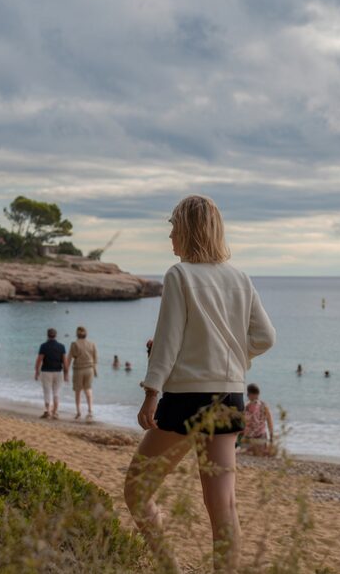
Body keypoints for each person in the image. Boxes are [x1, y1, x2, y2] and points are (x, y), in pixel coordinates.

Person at [125, 195, 275, 573]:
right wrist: (231, 361)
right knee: (223, 505)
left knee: (137, 491)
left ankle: (169, 566)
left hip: (186, 400)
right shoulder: (240, 277)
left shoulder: (179, 275)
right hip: (229, 396)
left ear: (189, 230)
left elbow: (169, 339)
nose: (171, 236)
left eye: (174, 227)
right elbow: (265, 337)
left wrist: (150, 393)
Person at [34, 328, 66, 419]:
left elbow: (39, 360)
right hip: (58, 372)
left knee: (47, 391)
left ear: (47, 335)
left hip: (46, 372)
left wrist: (36, 372)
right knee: (56, 392)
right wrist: (66, 373)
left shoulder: (43, 346)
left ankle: (48, 411)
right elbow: (65, 361)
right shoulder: (61, 346)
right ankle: (55, 412)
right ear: (56, 335)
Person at [68, 326, 98, 421]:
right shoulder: (92, 344)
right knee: (88, 390)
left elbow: (69, 358)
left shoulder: (74, 344)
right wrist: (95, 370)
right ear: (86, 334)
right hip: (89, 369)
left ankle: (78, 412)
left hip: (78, 369)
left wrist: (65, 370)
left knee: (78, 391)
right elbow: (95, 358)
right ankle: (90, 411)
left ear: (77, 334)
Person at [239, 383, 275, 456]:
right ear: (258, 393)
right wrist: (271, 437)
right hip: (261, 438)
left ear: (249, 394)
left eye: (248, 394)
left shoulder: (246, 407)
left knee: (243, 449)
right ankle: (259, 449)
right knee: (262, 451)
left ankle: (247, 449)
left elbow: (242, 423)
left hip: (248, 439)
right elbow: (270, 423)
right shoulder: (264, 405)